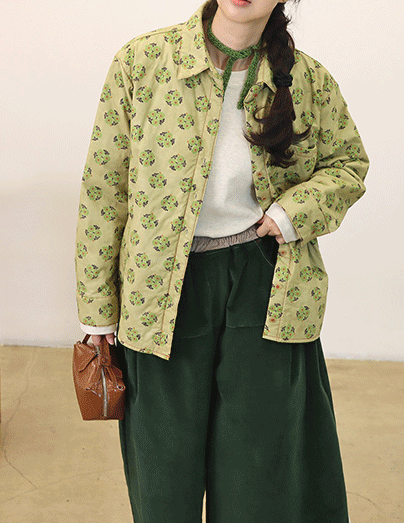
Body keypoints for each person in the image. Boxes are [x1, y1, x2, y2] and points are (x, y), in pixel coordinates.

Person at [75, 0, 369, 521]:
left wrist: (292, 212)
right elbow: (105, 188)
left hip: (266, 281)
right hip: (157, 287)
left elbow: (348, 164)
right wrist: (98, 311)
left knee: (258, 472)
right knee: (163, 472)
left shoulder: (307, 79)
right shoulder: (143, 61)